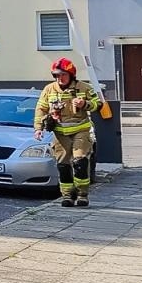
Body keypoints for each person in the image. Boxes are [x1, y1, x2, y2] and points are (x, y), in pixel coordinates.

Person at [34, 57, 104, 208]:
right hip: (60, 133)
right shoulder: (49, 90)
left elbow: (98, 105)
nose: (60, 79)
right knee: (63, 165)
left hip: (81, 130)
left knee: (80, 161)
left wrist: (84, 103)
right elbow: (41, 109)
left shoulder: (84, 88)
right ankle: (67, 196)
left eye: (63, 75)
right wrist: (38, 128)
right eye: (56, 76)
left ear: (71, 74)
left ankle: (82, 194)